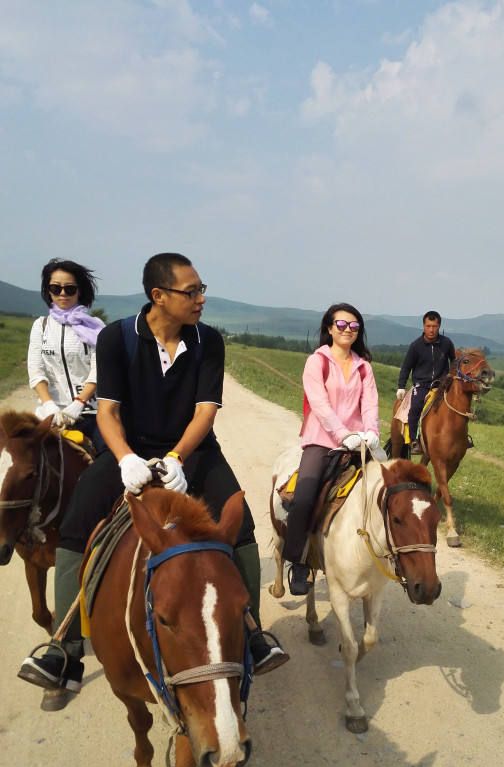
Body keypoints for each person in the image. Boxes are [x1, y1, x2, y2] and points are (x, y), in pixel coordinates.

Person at [18, 252, 288, 706]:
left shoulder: (208, 342)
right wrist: (124, 458)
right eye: (192, 291)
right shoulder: (118, 338)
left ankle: (252, 636)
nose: (201, 298)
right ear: (158, 296)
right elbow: (107, 411)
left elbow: (206, 411)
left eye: (202, 289)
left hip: (193, 450)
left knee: (238, 523)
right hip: (131, 449)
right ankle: (65, 651)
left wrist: (178, 458)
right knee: (76, 523)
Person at [283, 303, 380, 595]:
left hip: (359, 442)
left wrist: (372, 432)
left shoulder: (364, 367)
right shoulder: (317, 362)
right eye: (341, 325)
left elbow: (370, 404)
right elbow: (320, 404)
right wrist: (342, 435)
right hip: (322, 440)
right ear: (329, 328)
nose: (348, 330)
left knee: (389, 488)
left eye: (353, 326)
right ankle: (298, 561)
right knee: (304, 496)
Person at [28, 258, 105, 451]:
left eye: (70, 289)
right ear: (48, 291)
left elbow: (99, 369)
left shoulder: (95, 327)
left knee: (110, 457)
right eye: (56, 288)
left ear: (80, 291)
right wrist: (49, 405)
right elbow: (36, 370)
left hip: (90, 411)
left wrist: (79, 403)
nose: (63, 294)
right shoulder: (41, 325)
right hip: (50, 412)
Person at [396, 311, 456, 454]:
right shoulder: (416, 346)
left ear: (439, 326)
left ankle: (460, 437)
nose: (431, 329)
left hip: (442, 384)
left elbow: (454, 361)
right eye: (428, 326)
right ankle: (414, 441)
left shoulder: (446, 343)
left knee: (457, 404)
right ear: (423, 326)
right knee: (415, 408)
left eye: (434, 326)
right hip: (421, 385)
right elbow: (406, 367)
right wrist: (401, 386)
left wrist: (451, 375)